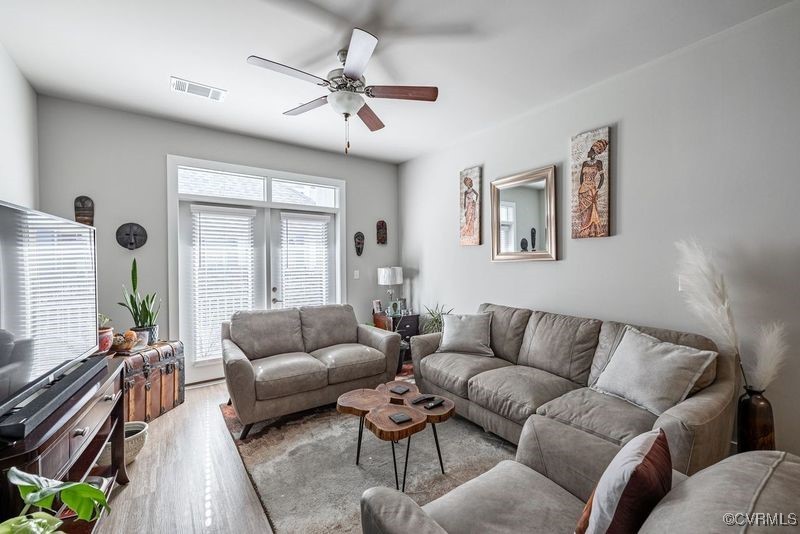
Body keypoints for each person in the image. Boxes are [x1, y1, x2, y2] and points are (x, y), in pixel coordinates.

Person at [576, 139, 608, 237]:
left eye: (590, 150)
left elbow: (602, 178)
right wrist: (582, 187)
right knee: (584, 213)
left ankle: (592, 231)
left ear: (594, 151)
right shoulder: (585, 163)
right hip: (583, 191)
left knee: (592, 210)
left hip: (592, 190)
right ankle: (584, 231)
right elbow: (581, 177)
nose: (588, 152)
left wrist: (597, 190)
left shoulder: (599, 163)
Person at [461, 176, 479, 241]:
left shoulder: (472, 189)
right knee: (468, 217)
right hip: (468, 205)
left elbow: (477, 194)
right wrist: (464, 207)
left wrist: (475, 201)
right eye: (467, 183)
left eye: (469, 183)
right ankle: (468, 231)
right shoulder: (465, 192)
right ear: (466, 184)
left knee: (472, 217)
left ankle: (471, 232)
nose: (468, 184)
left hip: (472, 204)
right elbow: (464, 200)